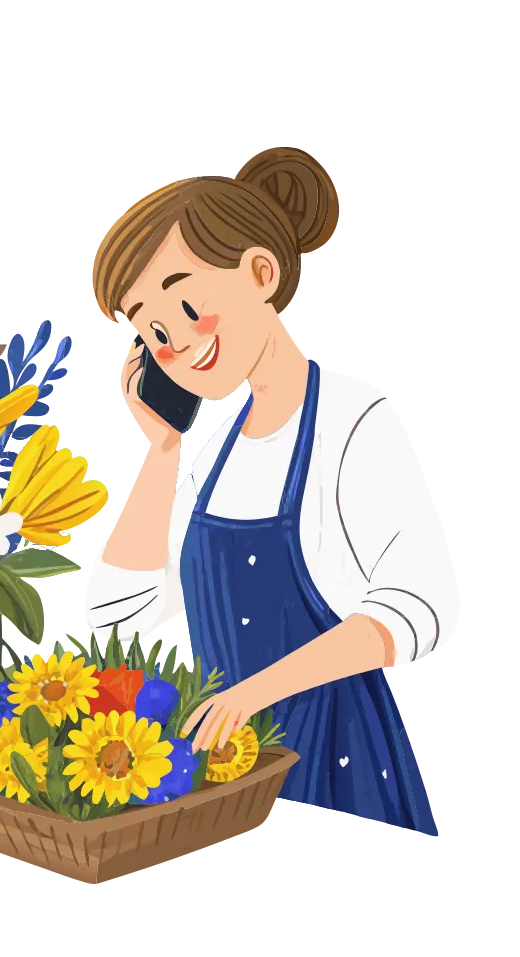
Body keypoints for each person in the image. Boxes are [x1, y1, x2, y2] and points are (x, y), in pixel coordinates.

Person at [84, 146, 460, 836]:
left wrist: (254, 694)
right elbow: (119, 623)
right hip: (227, 767)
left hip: (335, 755)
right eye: (154, 332)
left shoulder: (355, 419)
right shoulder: (216, 452)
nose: (178, 345)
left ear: (260, 273)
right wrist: (161, 449)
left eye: (187, 303)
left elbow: (421, 605)